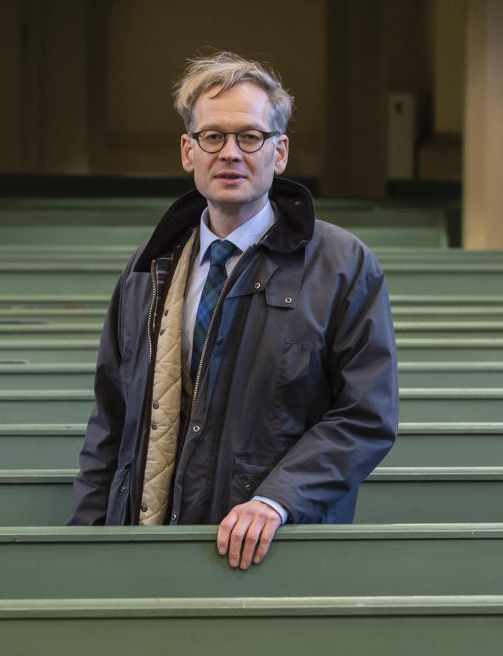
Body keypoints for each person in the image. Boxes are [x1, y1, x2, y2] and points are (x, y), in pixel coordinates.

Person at [68, 51, 398, 570]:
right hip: (141, 543)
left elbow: (365, 416)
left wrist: (277, 499)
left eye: (250, 136)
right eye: (213, 137)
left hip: (271, 550)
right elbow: (110, 417)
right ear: (188, 150)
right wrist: (84, 542)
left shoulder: (343, 265)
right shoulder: (148, 265)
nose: (230, 153)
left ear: (279, 151)